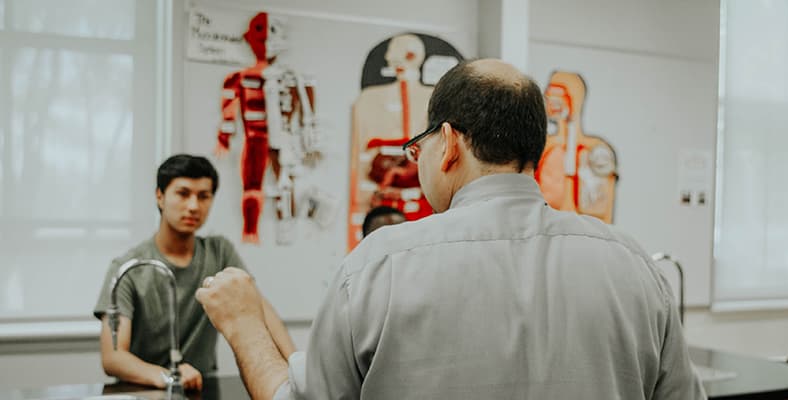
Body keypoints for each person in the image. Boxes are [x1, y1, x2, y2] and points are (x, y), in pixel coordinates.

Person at [197, 59, 705, 399]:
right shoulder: (631, 264)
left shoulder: (378, 266)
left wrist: (242, 324)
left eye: (418, 149)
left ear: (449, 143)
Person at [93, 154, 295, 391]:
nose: (193, 206)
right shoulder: (127, 268)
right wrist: (169, 377)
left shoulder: (219, 252)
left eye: (203, 196)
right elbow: (113, 357)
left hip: (202, 390)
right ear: (160, 196)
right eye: (183, 193)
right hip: (146, 391)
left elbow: (259, 309)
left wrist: (299, 371)